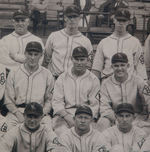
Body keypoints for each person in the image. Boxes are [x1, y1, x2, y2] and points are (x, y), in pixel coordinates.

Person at [4, 41, 54, 130]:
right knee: (5, 131)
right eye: (30, 54)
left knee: (49, 132)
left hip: (39, 113)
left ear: (41, 55)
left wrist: (42, 114)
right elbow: (8, 100)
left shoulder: (47, 74)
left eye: (36, 54)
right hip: (18, 111)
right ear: (25, 54)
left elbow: (49, 100)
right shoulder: (14, 72)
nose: (32, 57)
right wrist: (17, 114)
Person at [52, 46, 100, 135]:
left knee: (93, 135)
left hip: (85, 115)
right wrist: (67, 117)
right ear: (71, 59)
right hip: (65, 115)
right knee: (61, 132)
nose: (79, 62)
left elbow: (94, 105)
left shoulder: (93, 79)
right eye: (76, 59)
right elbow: (57, 102)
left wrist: (84, 119)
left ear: (87, 60)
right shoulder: (62, 77)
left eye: (82, 59)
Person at [98, 52, 150, 132]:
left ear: (128, 66)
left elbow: (149, 100)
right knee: (102, 122)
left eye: (122, 65)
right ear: (112, 67)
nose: (119, 68)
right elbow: (104, 107)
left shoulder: (138, 81)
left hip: (136, 118)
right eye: (116, 66)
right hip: (116, 118)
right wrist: (118, 120)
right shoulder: (106, 83)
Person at [92, 8, 147, 81]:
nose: (121, 23)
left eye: (124, 21)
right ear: (114, 20)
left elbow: (140, 68)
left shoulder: (135, 42)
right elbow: (96, 68)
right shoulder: (104, 42)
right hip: (107, 82)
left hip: (129, 84)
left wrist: (143, 86)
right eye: (118, 20)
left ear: (128, 22)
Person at [42, 5, 93, 80]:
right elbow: (46, 59)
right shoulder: (54, 36)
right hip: (54, 78)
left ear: (79, 18)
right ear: (65, 18)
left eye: (75, 17)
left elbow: (88, 64)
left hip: (74, 80)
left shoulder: (85, 41)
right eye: (70, 17)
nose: (72, 19)